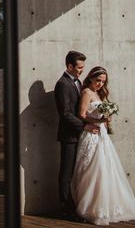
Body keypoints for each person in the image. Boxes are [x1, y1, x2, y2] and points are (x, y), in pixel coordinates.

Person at [71, 66, 135, 225]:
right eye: (98, 80)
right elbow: (81, 114)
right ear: (91, 78)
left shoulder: (98, 93)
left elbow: (99, 113)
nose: (100, 84)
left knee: (106, 169)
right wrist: (98, 121)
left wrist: (107, 119)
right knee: (92, 169)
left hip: (102, 134)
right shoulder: (87, 92)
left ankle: (107, 205)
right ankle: (91, 206)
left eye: (103, 81)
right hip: (91, 135)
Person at [54, 50, 99, 221]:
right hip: (69, 136)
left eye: (83, 67)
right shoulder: (62, 84)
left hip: (81, 136)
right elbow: (65, 113)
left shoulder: (78, 82)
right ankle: (66, 210)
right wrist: (85, 126)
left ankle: (79, 205)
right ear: (69, 66)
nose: (82, 70)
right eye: (79, 67)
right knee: (66, 174)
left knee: (78, 173)